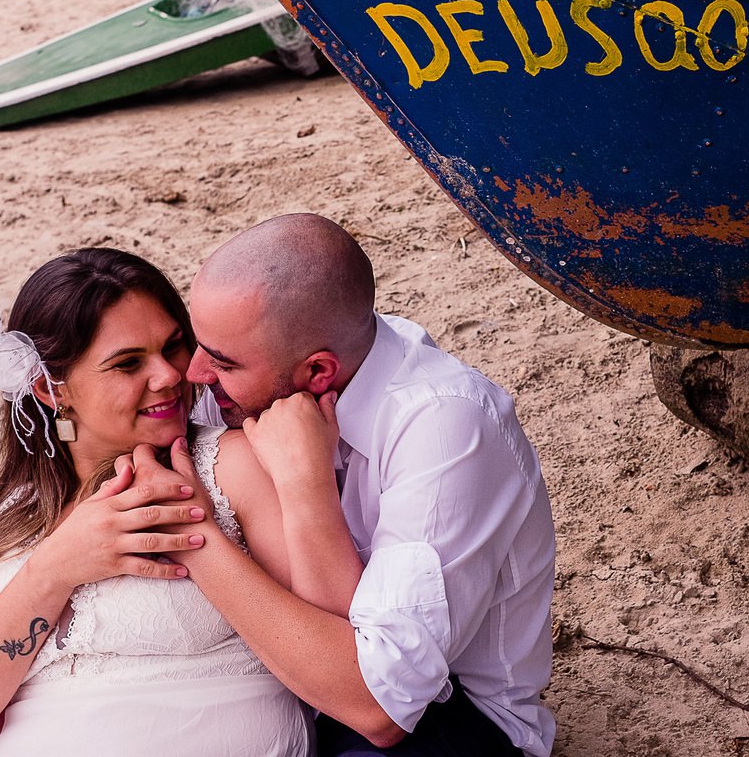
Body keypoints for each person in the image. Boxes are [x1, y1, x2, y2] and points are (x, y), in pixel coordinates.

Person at [132, 213, 557, 757]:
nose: (192, 375)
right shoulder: (260, 371)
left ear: (318, 373)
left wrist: (295, 488)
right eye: (198, 345)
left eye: (222, 363)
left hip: (445, 721)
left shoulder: (445, 426)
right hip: (295, 684)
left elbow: (379, 708)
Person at [0, 248, 316, 757]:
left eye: (174, 345)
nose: (170, 375)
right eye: (128, 363)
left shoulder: (233, 467)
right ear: (50, 390)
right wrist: (52, 570)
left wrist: (201, 537)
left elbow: (332, 660)